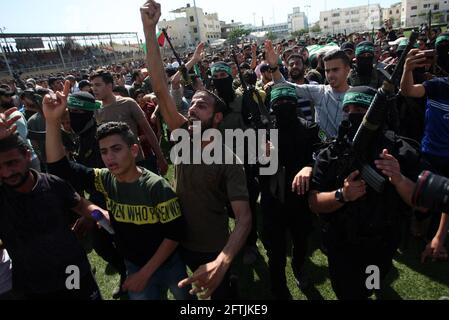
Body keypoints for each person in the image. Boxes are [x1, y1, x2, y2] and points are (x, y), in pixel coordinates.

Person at [141, 0, 251, 299]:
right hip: (175, 241)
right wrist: (149, 31)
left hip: (211, 247)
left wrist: (222, 261)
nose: (192, 109)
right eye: (191, 104)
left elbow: (243, 218)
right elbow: (161, 86)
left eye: (201, 106)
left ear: (217, 118)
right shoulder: (182, 135)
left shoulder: (230, 159)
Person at [43, 84, 192, 300]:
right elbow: (60, 169)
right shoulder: (105, 179)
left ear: (133, 150)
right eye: (103, 152)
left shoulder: (156, 187)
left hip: (169, 265)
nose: (109, 158)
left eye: (116, 149)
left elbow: (175, 234)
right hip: (133, 264)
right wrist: (52, 122)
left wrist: (145, 273)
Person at [308, 86, 422, 299]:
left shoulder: (401, 151)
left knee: (371, 286)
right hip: (342, 244)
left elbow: (420, 202)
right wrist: (342, 194)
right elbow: (314, 202)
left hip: (382, 245)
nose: (353, 114)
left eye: (361, 108)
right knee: (346, 292)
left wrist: (398, 178)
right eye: (347, 109)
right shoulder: (331, 154)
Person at [0, 108, 102, 300]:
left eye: (12, 163)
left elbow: (84, 207)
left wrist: (96, 216)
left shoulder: (51, 183)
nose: (7, 173)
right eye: (0, 167)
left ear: (27, 155)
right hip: (34, 287)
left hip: (74, 275)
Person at [259, 83, 321, 299]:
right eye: (279, 103)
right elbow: (252, 169)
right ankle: (278, 288)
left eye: (288, 102)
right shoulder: (264, 131)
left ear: (295, 104)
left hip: (300, 198)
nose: (284, 106)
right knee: (275, 252)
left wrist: (309, 167)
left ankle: (298, 265)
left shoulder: (309, 128)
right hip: (272, 199)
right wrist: (262, 155)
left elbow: (320, 157)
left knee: (301, 240)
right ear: (272, 106)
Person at [266, 41, 351, 139]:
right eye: (327, 71)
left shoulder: (356, 95)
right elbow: (283, 85)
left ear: (347, 69)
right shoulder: (319, 92)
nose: (330, 75)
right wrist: (273, 67)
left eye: (335, 70)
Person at [90, 69, 168, 175]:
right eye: (92, 85)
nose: (94, 89)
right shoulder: (96, 109)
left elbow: (148, 131)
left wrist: (160, 157)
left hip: (137, 162)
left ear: (110, 85)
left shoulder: (128, 103)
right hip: (115, 167)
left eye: (98, 85)